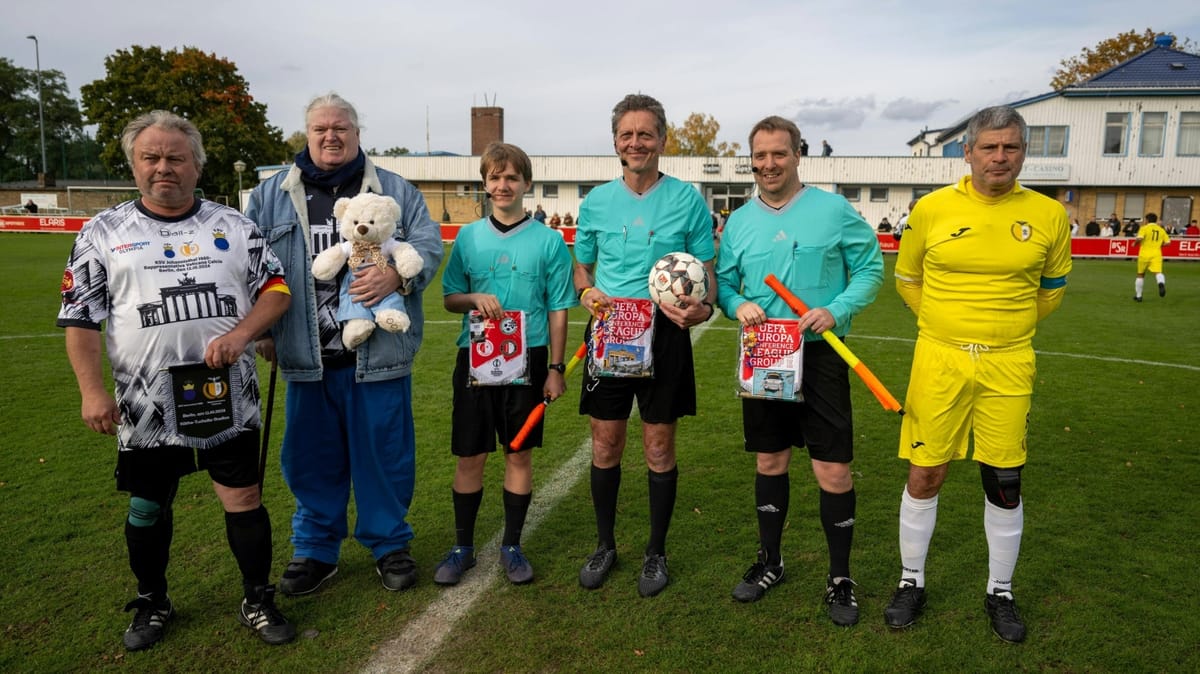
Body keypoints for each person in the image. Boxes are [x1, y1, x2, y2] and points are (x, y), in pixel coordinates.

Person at [58, 110, 295, 650]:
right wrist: (92, 391)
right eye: (151, 157)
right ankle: (152, 600)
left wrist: (241, 335)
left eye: (175, 158)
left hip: (226, 392)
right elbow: (78, 316)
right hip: (145, 401)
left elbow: (277, 290)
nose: (164, 167)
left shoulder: (234, 226)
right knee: (147, 504)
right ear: (134, 164)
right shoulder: (103, 232)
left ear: (196, 165)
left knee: (244, 497)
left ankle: (257, 596)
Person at [245, 93, 443, 597]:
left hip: (379, 356)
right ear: (306, 135)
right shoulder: (270, 196)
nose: (331, 136)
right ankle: (315, 549)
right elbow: (251, 266)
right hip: (306, 357)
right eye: (320, 129)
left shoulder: (394, 189)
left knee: (384, 454)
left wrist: (395, 275)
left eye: (341, 128)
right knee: (311, 458)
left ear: (357, 133)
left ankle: (388, 543)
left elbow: (427, 244)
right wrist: (263, 330)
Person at [886, 105, 1071, 643]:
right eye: (989, 147)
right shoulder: (933, 209)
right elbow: (907, 279)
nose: (999, 156)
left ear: (1023, 152)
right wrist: (947, 326)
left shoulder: (1048, 215)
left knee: (1004, 480)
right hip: (938, 359)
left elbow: (1052, 291)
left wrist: (1001, 331)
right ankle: (911, 579)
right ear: (967, 153)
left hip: (1009, 361)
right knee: (926, 471)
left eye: (1010, 147)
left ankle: (1001, 590)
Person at [715, 116, 883, 625]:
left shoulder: (833, 210)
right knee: (770, 463)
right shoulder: (740, 220)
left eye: (779, 154)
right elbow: (723, 284)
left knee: (832, 469)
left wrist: (838, 309)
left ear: (797, 155)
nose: (768, 164)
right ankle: (771, 562)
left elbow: (871, 269)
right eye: (760, 156)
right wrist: (737, 303)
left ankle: (839, 577)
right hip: (765, 351)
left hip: (822, 352)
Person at [572, 93, 716, 598]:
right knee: (606, 442)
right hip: (612, 330)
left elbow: (708, 276)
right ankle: (606, 544)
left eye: (646, 133)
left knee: (658, 446)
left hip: (666, 333)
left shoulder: (687, 200)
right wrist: (586, 290)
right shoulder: (595, 202)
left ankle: (655, 553)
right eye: (627, 134)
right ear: (616, 141)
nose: (636, 142)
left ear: (662, 140)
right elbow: (582, 268)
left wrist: (705, 307)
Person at [434, 142, 576, 586]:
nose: (502, 185)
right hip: (476, 357)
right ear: (485, 183)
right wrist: (474, 298)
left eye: (511, 177)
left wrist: (555, 367)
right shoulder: (469, 237)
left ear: (526, 184)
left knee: (519, 453)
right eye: (494, 178)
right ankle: (463, 547)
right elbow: (450, 296)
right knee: (470, 455)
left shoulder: (550, 240)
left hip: (528, 359)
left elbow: (558, 307)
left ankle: (512, 545)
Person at [1133, 212, 1170, 302]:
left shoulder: (1144, 228)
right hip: (1156, 254)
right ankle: (1161, 283)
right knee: (1158, 272)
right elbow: (1168, 242)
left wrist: (1135, 243)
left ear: (1147, 220)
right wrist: (1160, 245)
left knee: (1140, 274)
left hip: (1144, 254)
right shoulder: (1161, 230)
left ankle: (1139, 296)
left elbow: (1140, 238)